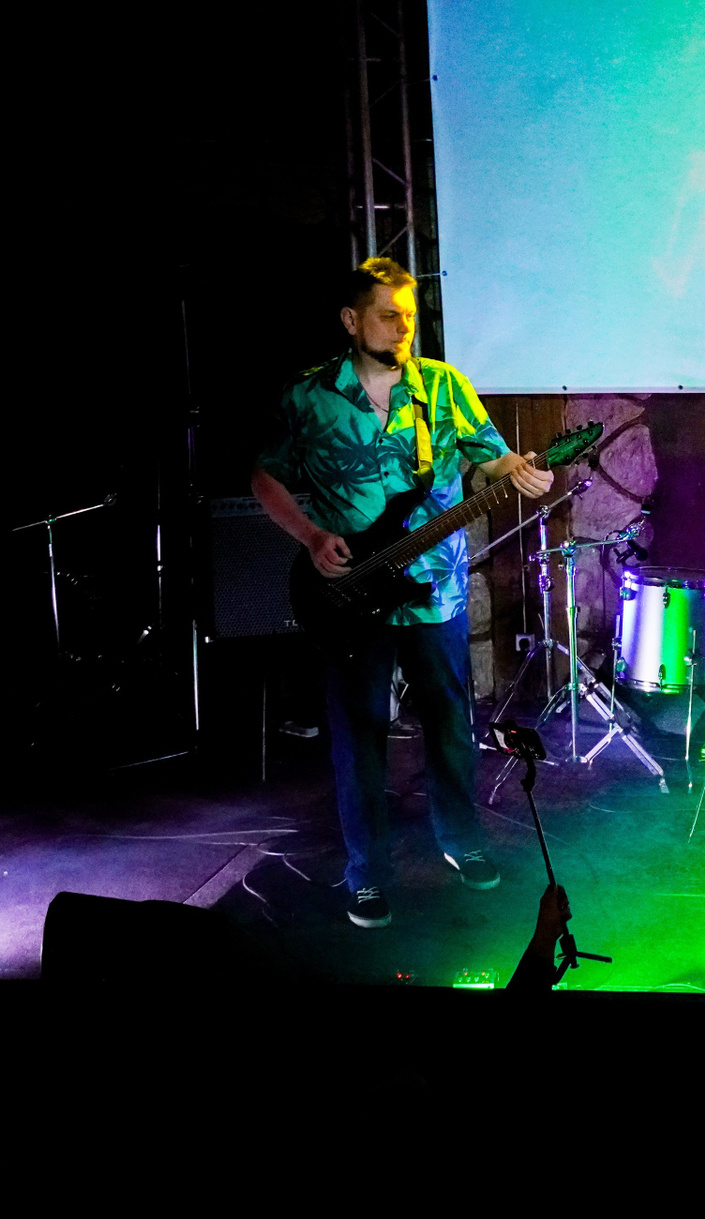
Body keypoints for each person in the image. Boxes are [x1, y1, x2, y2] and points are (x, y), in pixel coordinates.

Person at [251, 257, 553, 928]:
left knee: (450, 723)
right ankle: (366, 875)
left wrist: (519, 470)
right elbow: (265, 478)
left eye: (409, 316)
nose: (402, 327)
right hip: (348, 591)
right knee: (359, 737)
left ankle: (463, 843)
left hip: (436, 587)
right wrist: (311, 536)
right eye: (388, 316)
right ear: (351, 320)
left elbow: (490, 457)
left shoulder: (442, 386)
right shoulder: (308, 396)